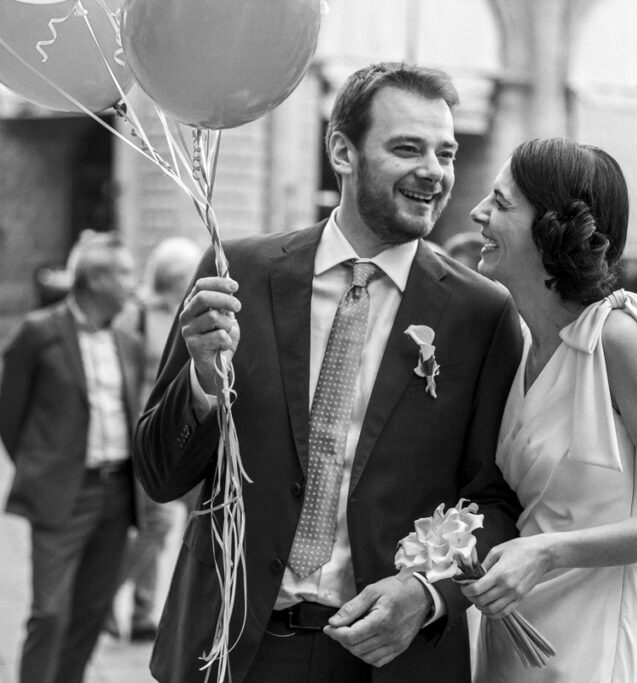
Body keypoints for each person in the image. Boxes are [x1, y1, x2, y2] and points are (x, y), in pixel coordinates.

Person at [134, 62, 523, 683]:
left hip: (388, 658)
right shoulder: (237, 275)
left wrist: (427, 593)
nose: (435, 171)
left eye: (445, 153)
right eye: (407, 148)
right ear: (343, 150)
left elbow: (492, 498)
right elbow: (159, 473)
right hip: (234, 647)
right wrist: (202, 384)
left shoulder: (482, 313)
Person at [459, 138, 637, 682]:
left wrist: (550, 553)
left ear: (552, 229)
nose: (477, 213)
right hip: (507, 644)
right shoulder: (516, 339)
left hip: (585, 655)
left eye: (502, 204)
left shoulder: (618, 338)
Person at [0, 230, 143, 683]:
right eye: (124, 273)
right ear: (96, 279)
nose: (133, 284)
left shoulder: (128, 345)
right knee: (50, 613)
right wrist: (42, 467)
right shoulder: (38, 333)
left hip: (117, 494)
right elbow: (9, 418)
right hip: (64, 494)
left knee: (91, 612)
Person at [107, 236, 204, 642]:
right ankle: (104, 595)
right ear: (171, 276)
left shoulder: (194, 313)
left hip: (189, 432)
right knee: (157, 522)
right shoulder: (137, 315)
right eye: (188, 274)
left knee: (194, 519)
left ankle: (145, 613)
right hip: (149, 433)